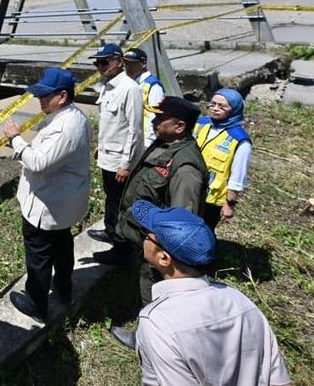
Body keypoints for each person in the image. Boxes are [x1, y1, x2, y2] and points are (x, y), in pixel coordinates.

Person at [131, 201, 292, 386]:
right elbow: (279, 380)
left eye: (146, 236)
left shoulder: (157, 323)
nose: (142, 239)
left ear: (164, 258)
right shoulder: (240, 301)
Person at [93, 96, 208, 349]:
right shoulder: (165, 143)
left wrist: (160, 253)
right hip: (146, 237)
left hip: (160, 248)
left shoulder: (186, 168)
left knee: (155, 291)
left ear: (179, 126)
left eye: (159, 118)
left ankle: (150, 340)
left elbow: (181, 223)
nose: (154, 121)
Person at [1, 68, 92, 321]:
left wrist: (15, 139)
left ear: (62, 96)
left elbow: (39, 162)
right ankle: (64, 291)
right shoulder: (73, 116)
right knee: (62, 247)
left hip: (46, 205)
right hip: (61, 202)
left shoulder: (65, 127)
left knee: (39, 256)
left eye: (44, 96)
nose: (39, 100)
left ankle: (36, 303)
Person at [86, 43, 144, 246]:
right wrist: (100, 147)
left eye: (105, 61)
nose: (101, 66)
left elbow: (134, 130)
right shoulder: (107, 86)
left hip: (119, 160)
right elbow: (111, 123)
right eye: (98, 63)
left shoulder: (129, 89)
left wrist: (126, 164)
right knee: (112, 198)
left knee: (120, 202)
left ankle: (120, 243)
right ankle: (111, 231)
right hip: (108, 156)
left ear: (119, 62)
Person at [193, 89, 252, 230]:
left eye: (222, 106)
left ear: (234, 109)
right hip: (189, 187)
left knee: (202, 232)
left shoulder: (240, 140)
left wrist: (229, 204)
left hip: (211, 199)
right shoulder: (200, 124)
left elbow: (238, 176)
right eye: (212, 104)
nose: (215, 109)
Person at [122, 48, 164, 147]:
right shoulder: (130, 83)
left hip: (145, 141)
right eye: (126, 64)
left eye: (132, 64)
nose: (128, 67)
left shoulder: (153, 86)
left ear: (143, 64)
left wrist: (148, 142)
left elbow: (154, 115)